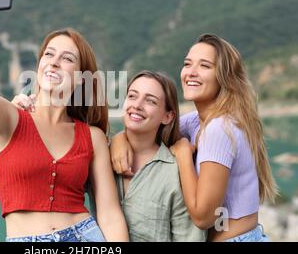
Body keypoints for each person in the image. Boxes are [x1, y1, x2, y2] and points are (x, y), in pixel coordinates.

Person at [0, 0, 128, 242]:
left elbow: (109, 213)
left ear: (82, 78)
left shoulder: (92, 136)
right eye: (48, 54)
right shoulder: (10, 119)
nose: (54, 61)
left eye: (67, 58)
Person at [111, 34, 278, 242]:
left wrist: (182, 155)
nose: (191, 72)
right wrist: (119, 139)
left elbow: (203, 217)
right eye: (187, 64)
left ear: (224, 77)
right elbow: (148, 127)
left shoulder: (219, 129)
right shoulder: (198, 121)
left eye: (205, 66)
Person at [13, 71, 206, 241]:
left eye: (150, 101)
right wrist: (19, 116)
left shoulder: (174, 171)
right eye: (132, 96)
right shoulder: (99, 155)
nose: (137, 105)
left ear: (168, 116)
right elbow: (49, 160)